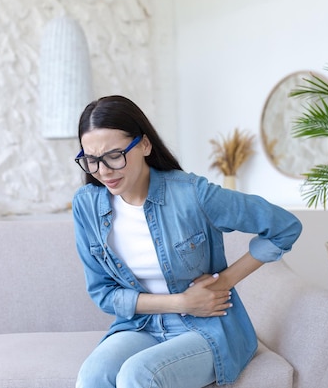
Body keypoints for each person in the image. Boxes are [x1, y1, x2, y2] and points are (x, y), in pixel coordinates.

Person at [72, 95, 302, 388]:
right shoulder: (87, 205)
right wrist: (181, 302)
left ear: (144, 145)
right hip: (142, 326)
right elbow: (103, 293)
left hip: (208, 328)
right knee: (92, 375)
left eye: (114, 156)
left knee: (138, 374)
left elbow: (284, 227)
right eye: (91, 160)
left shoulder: (192, 194)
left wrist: (225, 280)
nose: (103, 171)